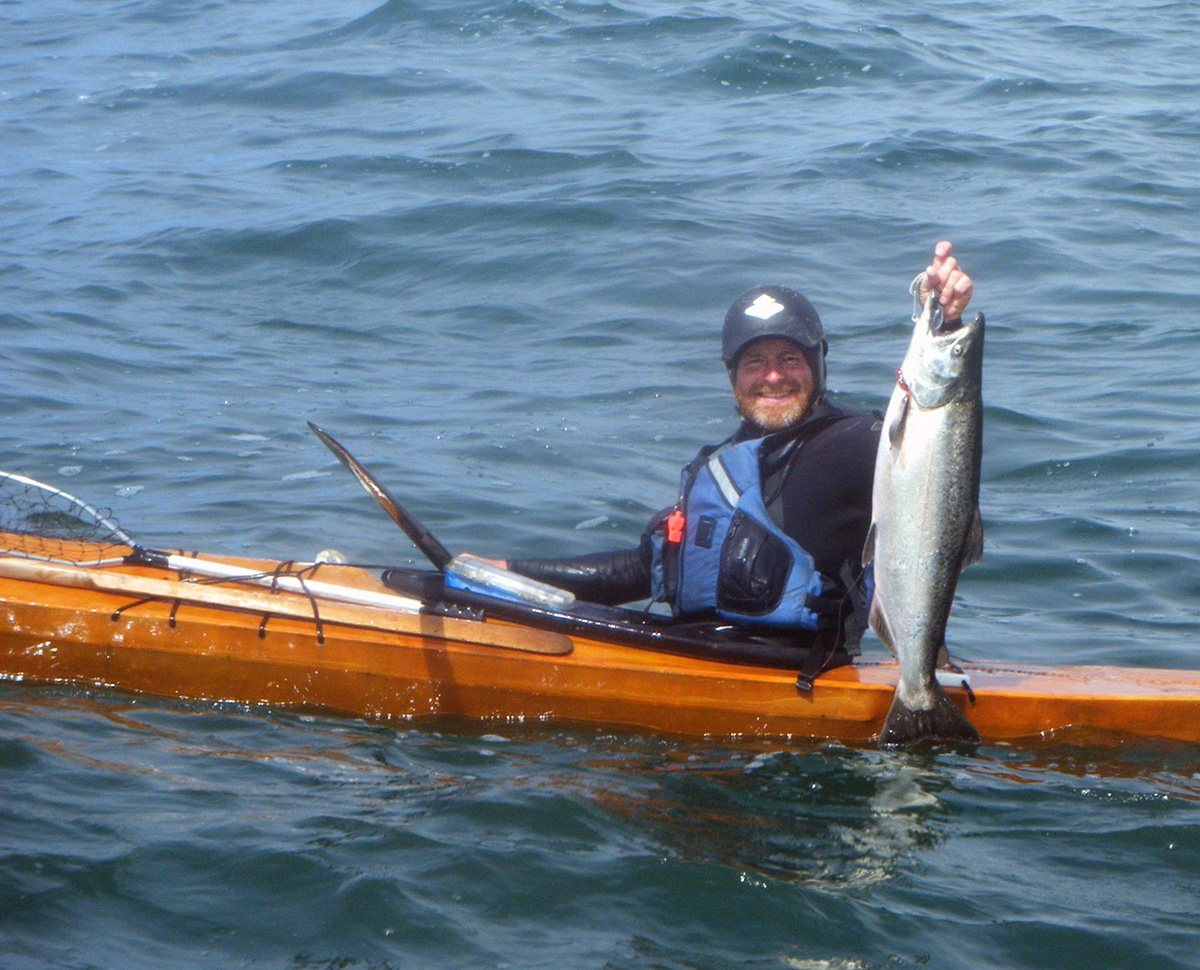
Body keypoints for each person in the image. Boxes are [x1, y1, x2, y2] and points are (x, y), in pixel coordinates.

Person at [497, 241, 973, 667]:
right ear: (733, 376)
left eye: (790, 359)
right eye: (755, 362)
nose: (772, 377)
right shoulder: (720, 463)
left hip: (790, 685)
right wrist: (507, 574)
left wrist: (942, 322)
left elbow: (936, 458)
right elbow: (644, 570)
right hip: (693, 662)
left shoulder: (851, 445)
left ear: (819, 368)